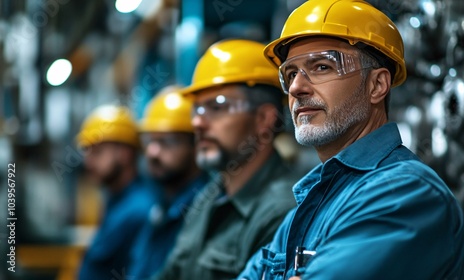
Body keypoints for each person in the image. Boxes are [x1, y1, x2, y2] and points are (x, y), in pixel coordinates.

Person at [238, 0, 464, 279]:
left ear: (377, 85)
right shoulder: (312, 203)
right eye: (290, 74)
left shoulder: (406, 193)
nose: (297, 87)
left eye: (322, 67)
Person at [153, 39, 300, 280]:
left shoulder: (283, 212)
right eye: (197, 109)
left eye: (217, 106)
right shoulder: (209, 197)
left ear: (264, 119)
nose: (198, 122)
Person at [128, 88, 209, 278]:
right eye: (149, 141)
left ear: (196, 145)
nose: (152, 153)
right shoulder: (160, 206)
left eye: (168, 141)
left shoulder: (206, 208)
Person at [76, 104, 157, 279]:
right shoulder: (117, 201)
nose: (88, 162)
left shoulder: (139, 210)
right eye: (87, 152)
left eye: (97, 152)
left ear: (124, 153)